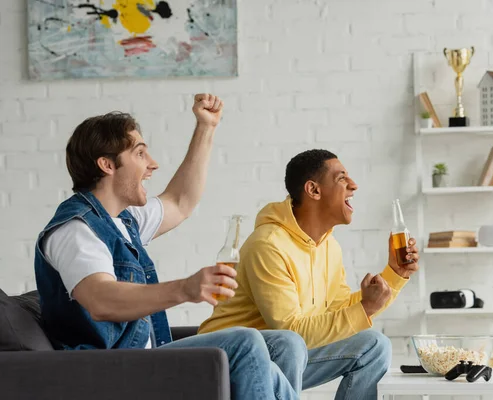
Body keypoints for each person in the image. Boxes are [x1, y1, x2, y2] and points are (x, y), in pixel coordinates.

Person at [33, 94, 302, 400]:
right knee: (245, 342)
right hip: (110, 370)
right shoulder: (76, 229)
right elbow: (100, 300)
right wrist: (185, 288)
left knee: (285, 344)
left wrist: (206, 127)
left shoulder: (122, 218)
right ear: (107, 165)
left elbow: (180, 201)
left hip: (144, 359)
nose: (153, 165)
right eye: (140, 154)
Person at [198, 149, 420, 399]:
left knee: (375, 346)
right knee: (289, 343)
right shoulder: (269, 244)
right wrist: (364, 309)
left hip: (284, 355)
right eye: (341, 178)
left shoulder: (328, 246)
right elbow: (290, 328)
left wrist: (394, 274)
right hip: (229, 358)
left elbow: (337, 310)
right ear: (314, 190)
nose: (354, 185)